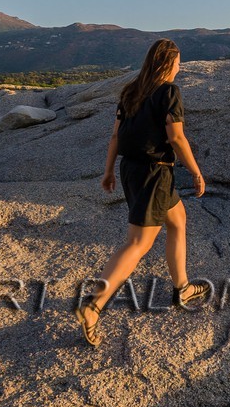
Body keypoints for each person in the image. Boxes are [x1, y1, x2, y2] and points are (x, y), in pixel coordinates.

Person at [75, 38, 207, 347]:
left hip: (131, 170)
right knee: (136, 243)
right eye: (177, 62)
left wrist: (108, 172)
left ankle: (182, 288)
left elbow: (115, 138)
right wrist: (196, 172)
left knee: (178, 221)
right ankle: (93, 306)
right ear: (167, 64)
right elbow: (175, 137)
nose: (179, 67)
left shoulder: (131, 91)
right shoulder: (168, 93)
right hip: (155, 173)